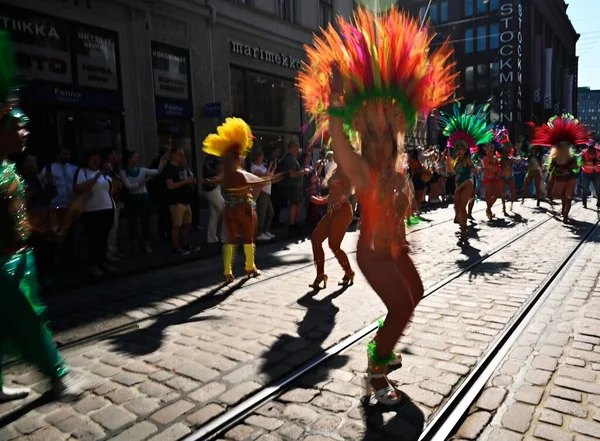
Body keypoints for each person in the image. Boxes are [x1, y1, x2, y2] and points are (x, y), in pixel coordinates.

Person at [298, 6, 456, 405]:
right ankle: (375, 371)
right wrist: (336, 97)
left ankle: (380, 349)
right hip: (372, 253)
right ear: (365, 139)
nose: (380, 142)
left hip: (395, 250)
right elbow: (337, 140)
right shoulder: (363, 170)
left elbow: (405, 209)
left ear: (395, 134)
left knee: (414, 296)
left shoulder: (396, 167)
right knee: (402, 307)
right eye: (372, 135)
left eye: (386, 134)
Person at [0, 32, 82, 401]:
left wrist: (54, 219)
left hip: (15, 260)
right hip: (4, 266)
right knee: (29, 322)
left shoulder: (8, 169)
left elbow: (20, 219)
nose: (25, 130)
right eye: (18, 125)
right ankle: (57, 377)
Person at [202, 118, 281, 283]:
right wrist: (276, 177)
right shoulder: (240, 173)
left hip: (229, 207)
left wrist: (211, 181)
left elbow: (215, 179)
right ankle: (250, 267)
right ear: (238, 158)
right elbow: (260, 181)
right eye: (242, 157)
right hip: (244, 207)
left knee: (230, 239)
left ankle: (227, 271)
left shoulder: (227, 174)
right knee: (248, 238)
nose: (244, 158)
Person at [439, 104, 494, 240]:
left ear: (465, 149)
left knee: (462, 208)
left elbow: (474, 171)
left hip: (467, 184)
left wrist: (479, 169)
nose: (457, 150)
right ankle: (462, 227)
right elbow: (452, 173)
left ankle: (464, 231)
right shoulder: (456, 161)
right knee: (456, 208)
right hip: (458, 187)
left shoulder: (468, 160)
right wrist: (447, 163)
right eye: (456, 148)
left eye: (460, 148)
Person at [534, 114, 589, 223]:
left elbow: (576, 167)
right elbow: (551, 169)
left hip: (570, 179)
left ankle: (565, 215)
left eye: (566, 145)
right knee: (561, 196)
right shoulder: (554, 158)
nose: (564, 147)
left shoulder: (572, 157)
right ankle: (564, 210)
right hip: (560, 179)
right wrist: (549, 169)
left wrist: (573, 166)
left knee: (567, 197)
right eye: (561, 145)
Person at [74, 150, 115, 276]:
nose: (96, 162)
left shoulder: (104, 173)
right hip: (91, 211)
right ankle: (94, 265)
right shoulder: (83, 172)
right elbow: (80, 188)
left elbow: (110, 189)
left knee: (103, 238)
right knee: (94, 239)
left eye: (98, 160)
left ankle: (102, 262)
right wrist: (96, 177)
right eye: (93, 159)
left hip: (107, 208)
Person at [120, 149, 168, 253]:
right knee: (132, 223)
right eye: (135, 157)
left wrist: (162, 162)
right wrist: (142, 182)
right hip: (132, 200)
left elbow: (156, 172)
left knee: (145, 221)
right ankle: (134, 244)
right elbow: (128, 186)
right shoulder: (123, 172)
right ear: (129, 159)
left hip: (143, 198)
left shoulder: (141, 170)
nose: (137, 159)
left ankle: (146, 243)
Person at [41, 145, 77, 266]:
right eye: (64, 154)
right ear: (58, 154)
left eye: (68, 154)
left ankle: (69, 262)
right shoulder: (49, 168)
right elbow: (42, 185)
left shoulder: (73, 168)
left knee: (70, 236)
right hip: (55, 207)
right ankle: (51, 263)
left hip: (70, 206)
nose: (66, 156)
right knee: (54, 237)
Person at [163, 146, 196, 254]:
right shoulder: (170, 168)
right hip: (176, 201)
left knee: (186, 223)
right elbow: (170, 185)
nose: (182, 157)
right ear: (174, 155)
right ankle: (175, 247)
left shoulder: (180, 168)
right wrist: (185, 182)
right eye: (180, 154)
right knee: (176, 225)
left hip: (185, 200)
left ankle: (185, 244)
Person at [250, 149, 275, 241]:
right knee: (262, 213)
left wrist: (273, 168)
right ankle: (259, 233)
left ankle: (265, 230)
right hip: (261, 191)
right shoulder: (254, 167)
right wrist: (270, 168)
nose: (263, 158)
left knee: (270, 212)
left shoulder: (260, 165)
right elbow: (264, 176)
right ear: (257, 157)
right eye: (261, 156)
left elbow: (269, 175)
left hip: (267, 191)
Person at [202, 153, 227, 245]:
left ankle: (212, 238)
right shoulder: (213, 158)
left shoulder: (208, 158)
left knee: (215, 214)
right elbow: (217, 175)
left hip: (213, 188)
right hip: (212, 188)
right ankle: (225, 237)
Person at [282, 141, 307, 232]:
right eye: (295, 147)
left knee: (299, 203)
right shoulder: (290, 159)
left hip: (297, 186)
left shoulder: (293, 158)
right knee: (294, 204)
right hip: (293, 186)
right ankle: (292, 224)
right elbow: (292, 174)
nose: (297, 149)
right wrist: (303, 172)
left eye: (297, 147)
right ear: (290, 148)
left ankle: (295, 222)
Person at [521, 122, 545, 207]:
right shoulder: (529, 152)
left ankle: (538, 201)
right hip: (530, 171)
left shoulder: (538, 152)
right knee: (525, 186)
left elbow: (541, 155)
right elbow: (524, 153)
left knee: (537, 187)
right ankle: (522, 200)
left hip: (536, 171)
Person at [580, 138, 600, 209]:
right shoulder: (584, 153)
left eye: (591, 147)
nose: (590, 148)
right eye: (589, 147)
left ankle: (599, 201)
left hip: (596, 173)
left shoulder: (598, 151)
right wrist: (591, 162)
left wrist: (597, 162)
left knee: (598, 188)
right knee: (585, 189)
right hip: (586, 173)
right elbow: (582, 162)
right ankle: (584, 203)